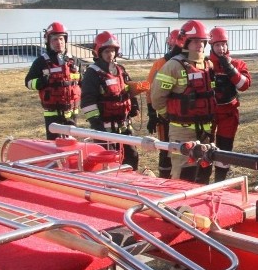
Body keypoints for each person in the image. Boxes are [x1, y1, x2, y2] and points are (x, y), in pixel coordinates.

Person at [151, 20, 217, 182]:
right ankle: (176, 207)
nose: (199, 45)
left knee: (204, 172)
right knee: (183, 174)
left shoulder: (208, 65)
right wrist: (171, 115)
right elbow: (157, 97)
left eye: (202, 41)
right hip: (182, 131)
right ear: (185, 42)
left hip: (206, 130)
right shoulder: (173, 66)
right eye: (195, 41)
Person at [81, 31, 141, 170]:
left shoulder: (120, 70)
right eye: (107, 51)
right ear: (99, 52)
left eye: (113, 51)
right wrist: (96, 124)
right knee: (110, 163)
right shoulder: (92, 73)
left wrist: (134, 105)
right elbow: (87, 101)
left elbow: (128, 88)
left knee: (132, 158)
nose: (110, 54)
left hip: (125, 126)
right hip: (105, 128)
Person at [207, 26, 251, 182]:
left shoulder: (237, 63)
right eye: (217, 45)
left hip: (229, 113)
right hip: (209, 114)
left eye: (224, 44)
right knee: (205, 147)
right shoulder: (206, 65)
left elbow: (244, 85)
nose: (221, 48)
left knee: (225, 148)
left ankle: (220, 181)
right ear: (211, 46)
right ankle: (201, 180)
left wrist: (230, 68)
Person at [25, 22, 82, 140]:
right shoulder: (41, 62)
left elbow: (82, 82)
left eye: (61, 39)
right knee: (55, 147)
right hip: (53, 114)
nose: (58, 42)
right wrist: (41, 82)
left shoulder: (74, 61)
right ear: (48, 41)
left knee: (72, 145)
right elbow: (28, 82)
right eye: (55, 39)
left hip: (72, 113)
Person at [145, 29, 183, 178]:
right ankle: (164, 177)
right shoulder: (160, 64)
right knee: (165, 148)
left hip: (183, 116)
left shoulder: (189, 64)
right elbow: (150, 89)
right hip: (166, 115)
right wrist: (152, 115)